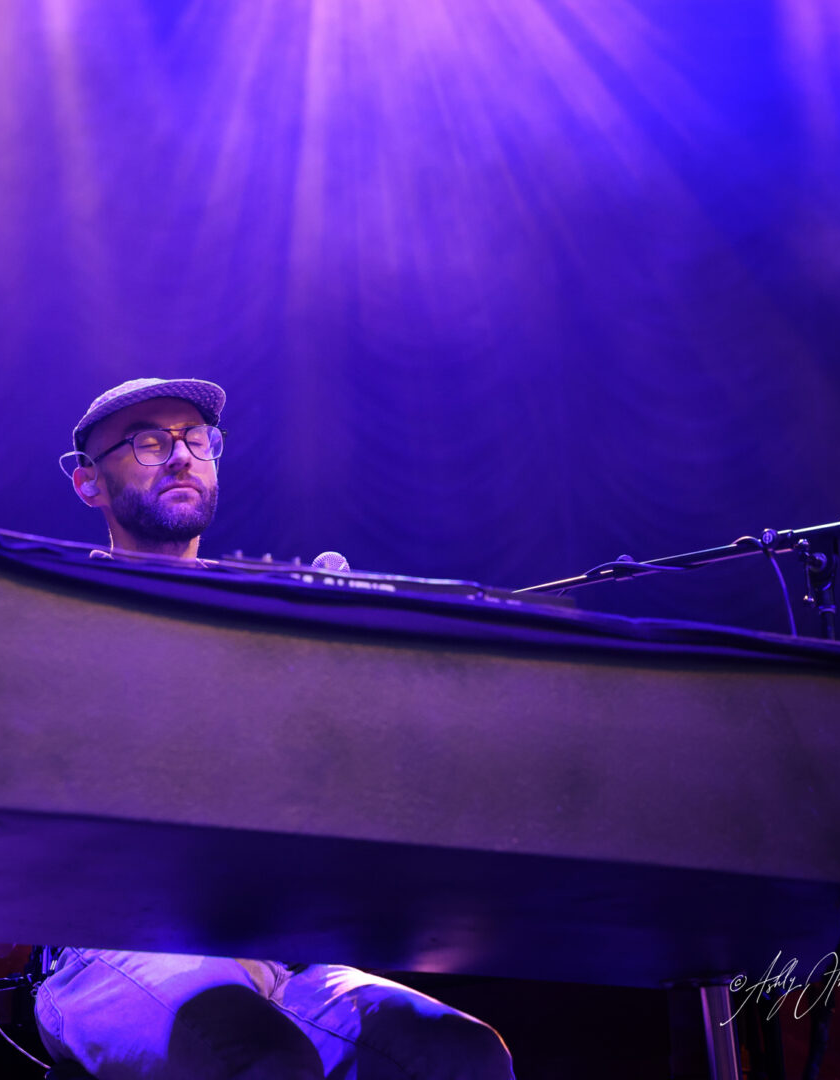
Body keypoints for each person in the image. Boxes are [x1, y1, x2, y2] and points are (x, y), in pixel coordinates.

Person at [35, 377, 515, 1080]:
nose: (182, 457)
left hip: (280, 956)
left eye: (196, 440)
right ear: (88, 483)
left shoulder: (264, 616)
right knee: (261, 1058)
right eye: (149, 442)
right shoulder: (56, 617)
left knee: (464, 1055)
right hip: (111, 945)